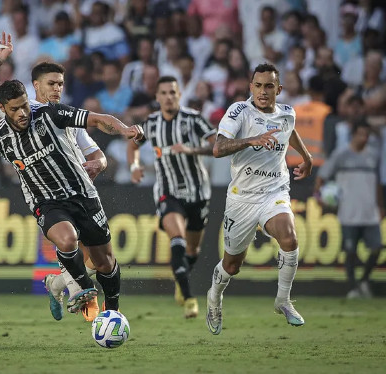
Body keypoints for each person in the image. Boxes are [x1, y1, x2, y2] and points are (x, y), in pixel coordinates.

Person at [0, 53, 143, 322]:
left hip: (82, 194)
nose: (22, 113)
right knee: (67, 239)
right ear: (3, 108)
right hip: (46, 202)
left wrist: (124, 131)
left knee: (105, 263)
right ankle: (86, 292)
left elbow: (98, 121)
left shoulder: (53, 112)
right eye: (14, 109)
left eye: (24, 107)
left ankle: (106, 309)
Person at [0, 32, 107, 322]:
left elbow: (97, 155)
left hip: (78, 195)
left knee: (95, 260)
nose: (56, 89)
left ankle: (55, 284)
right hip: (46, 200)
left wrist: (100, 165)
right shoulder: (19, 106)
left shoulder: (67, 119)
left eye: (60, 84)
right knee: (71, 249)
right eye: (50, 84)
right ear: (36, 86)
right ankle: (91, 309)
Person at [206, 63, 313, 335]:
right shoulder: (239, 111)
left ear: (279, 89)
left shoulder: (288, 113)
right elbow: (218, 149)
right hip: (242, 199)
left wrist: (307, 157)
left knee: (289, 237)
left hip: (274, 192)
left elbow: (289, 131)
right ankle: (214, 295)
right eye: (258, 85)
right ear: (250, 87)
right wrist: (251, 140)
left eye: (269, 86)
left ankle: (283, 301)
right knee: (232, 265)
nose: (263, 91)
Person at [127, 76, 216, 319]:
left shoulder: (193, 120)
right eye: (163, 92)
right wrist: (134, 166)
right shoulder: (152, 123)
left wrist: (191, 149)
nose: (168, 97)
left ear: (179, 95)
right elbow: (133, 145)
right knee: (176, 236)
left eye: (173, 92)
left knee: (193, 248)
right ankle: (189, 299)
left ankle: (181, 279)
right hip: (168, 192)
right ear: (157, 97)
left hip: (198, 192)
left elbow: (217, 146)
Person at [314, 121, 384, 299]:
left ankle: (364, 281)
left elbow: (376, 183)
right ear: (353, 135)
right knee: (350, 252)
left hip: (369, 212)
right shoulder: (341, 154)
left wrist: (380, 205)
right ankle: (353, 288)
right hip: (348, 212)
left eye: (367, 135)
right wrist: (318, 197)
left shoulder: (373, 155)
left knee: (376, 248)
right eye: (361, 134)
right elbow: (322, 175)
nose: (364, 138)